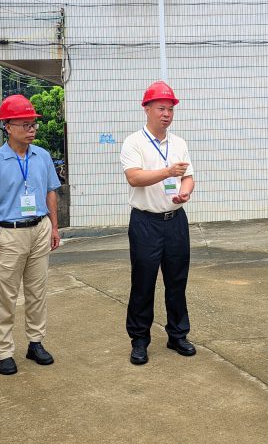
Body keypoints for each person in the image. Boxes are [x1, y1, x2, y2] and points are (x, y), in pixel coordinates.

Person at [0, 94, 62, 375]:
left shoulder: (42, 156)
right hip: (9, 232)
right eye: (25, 124)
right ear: (7, 127)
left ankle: (35, 342)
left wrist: (54, 226)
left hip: (40, 228)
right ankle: (3, 351)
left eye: (33, 124)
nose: (31, 129)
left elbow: (51, 192)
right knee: (6, 294)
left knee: (37, 291)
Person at [120, 81, 196, 365]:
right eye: (161, 108)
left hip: (175, 221)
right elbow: (134, 177)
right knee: (143, 281)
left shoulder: (179, 143)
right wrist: (167, 171)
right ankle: (139, 339)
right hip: (146, 222)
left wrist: (185, 191)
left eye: (170, 109)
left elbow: (188, 176)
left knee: (177, 280)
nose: (166, 114)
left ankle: (177, 334)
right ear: (147, 109)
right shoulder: (134, 142)